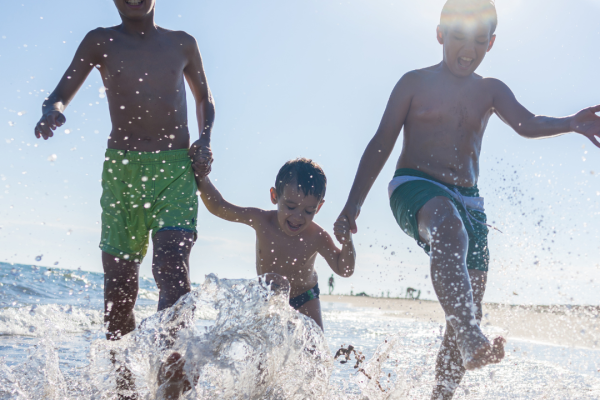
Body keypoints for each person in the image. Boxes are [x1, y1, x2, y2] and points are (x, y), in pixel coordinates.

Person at [334, 0, 600, 399]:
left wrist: (571, 123)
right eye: (458, 35)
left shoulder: (490, 89)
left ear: (490, 43)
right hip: (415, 187)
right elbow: (380, 144)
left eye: (478, 39)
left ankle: (443, 389)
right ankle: (471, 332)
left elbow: (526, 122)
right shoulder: (414, 83)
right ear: (440, 35)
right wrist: (352, 205)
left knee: (463, 306)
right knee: (447, 228)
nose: (468, 47)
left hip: (470, 204)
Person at [33, 0, 215, 397]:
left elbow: (204, 99)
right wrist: (53, 112)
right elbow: (60, 92)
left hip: (174, 169)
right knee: (119, 289)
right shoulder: (100, 42)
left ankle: (171, 378)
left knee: (172, 268)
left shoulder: (182, 44)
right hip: (122, 173)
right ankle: (125, 388)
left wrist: (205, 139)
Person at [197, 158, 355, 330]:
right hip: (268, 298)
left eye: (308, 211)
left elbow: (344, 270)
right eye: (290, 207)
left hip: (305, 297)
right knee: (261, 349)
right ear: (274, 196)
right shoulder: (261, 220)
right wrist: (202, 177)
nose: (297, 217)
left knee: (315, 353)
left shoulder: (317, 236)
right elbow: (219, 207)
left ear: (318, 208)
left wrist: (347, 241)